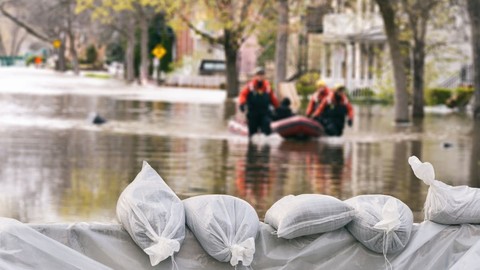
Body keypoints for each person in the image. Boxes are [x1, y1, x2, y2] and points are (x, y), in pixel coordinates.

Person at [238, 67, 279, 137]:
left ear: (264, 76)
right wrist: (242, 103)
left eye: (262, 75)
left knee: (266, 128)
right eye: (259, 75)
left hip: (264, 112)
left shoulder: (267, 86)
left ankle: (266, 145)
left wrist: (278, 107)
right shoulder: (250, 86)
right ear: (255, 76)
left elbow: (272, 98)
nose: (260, 76)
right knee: (252, 133)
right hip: (253, 113)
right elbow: (243, 95)